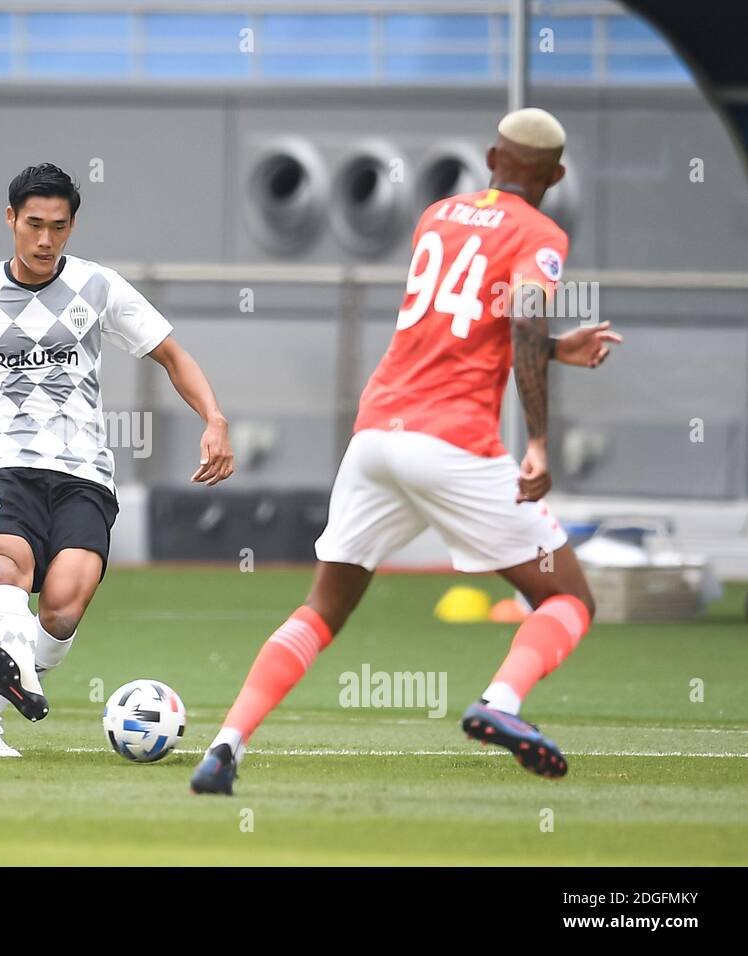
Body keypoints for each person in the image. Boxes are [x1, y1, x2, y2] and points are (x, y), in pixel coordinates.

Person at [191, 108, 622, 794]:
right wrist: (538, 440)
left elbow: (468, 321)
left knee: (321, 611)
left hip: (375, 435)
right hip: (452, 443)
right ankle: (500, 703)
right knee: (567, 597)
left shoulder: (437, 215)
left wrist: (552, 350)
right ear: (558, 175)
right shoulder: (541, 234)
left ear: (490, 157)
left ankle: (225, 746)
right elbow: (522, 320)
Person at [0, 163, 233, 757]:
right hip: (7, 465)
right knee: (10, 566)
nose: (45, 240)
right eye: (34, 225)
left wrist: (214, 419)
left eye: (58, 226)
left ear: (72, 225)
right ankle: (17, 670)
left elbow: (173, 356)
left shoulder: (99, 287)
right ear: (10, 220)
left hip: (84, 473)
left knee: (63, 605)